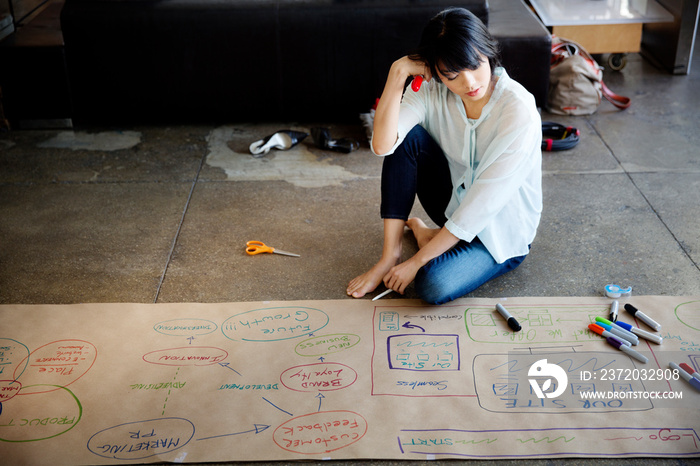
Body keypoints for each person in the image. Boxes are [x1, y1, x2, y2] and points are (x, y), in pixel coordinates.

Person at [346, 7, 542, 305]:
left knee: (431, 285)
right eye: (451, 75)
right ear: (434, 71)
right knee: (407, 139)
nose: (469, 83)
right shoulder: (430, 90)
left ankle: (430, 237)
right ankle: (390, 255)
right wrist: (397, 72)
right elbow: (383, 145)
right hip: (453, 204)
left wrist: (416, 264)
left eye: (475, 65)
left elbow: (482, 206)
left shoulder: (518, 110)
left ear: (487, 51)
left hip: (500, 233)